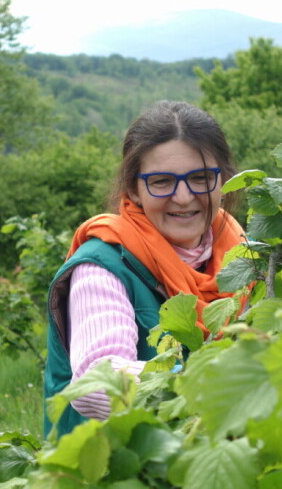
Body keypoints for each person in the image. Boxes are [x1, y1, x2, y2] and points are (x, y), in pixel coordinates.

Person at [43, 100, 248, 437]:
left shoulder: (244, 255)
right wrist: (230, 384)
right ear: (133, 189)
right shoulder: (102, 267)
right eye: (162, 182)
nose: (184, 197)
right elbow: (99, 384)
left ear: (223, 182)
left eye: (200, 178)